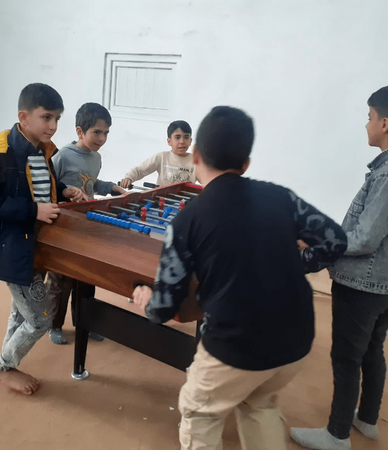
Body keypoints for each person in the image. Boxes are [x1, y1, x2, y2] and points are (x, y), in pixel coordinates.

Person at [132, 106, 347, 450]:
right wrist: (295, 262)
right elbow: (336, 241)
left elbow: (164, 307)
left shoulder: (188, 219)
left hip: (236, 346)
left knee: (200, 414)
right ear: (246, 164)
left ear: (196, 155)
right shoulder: (280, 196)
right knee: (259, 403)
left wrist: (146, 299)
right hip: (296, 340)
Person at [290, 83, 388, 450]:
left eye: (369, 117)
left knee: (346, 357)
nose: (366, 124)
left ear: (385, 124)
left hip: (363, 285)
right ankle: (367, 419)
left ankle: (336, 435)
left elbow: (366, 238)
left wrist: (320, 243)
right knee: (372, 349)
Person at [0, 83, 86, 395]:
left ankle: (7, 363)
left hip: (34, 246)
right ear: (24, 117)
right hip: (10, 249)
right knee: (41, 318)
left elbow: (40, 184)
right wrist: (33, 211)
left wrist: (64, 190)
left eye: (57, 118)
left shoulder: (41, 150)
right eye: (46, 117)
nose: (53, 126)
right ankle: (3, 368)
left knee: (21, 312)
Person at [48, 102, 123, 344]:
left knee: (88, 277)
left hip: (86, 226)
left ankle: (86, 322)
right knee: (61, 280)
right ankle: (54, 325)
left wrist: (112, 188)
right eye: (97, 132)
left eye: (106, 133)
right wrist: (64, 195)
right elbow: (49, 186)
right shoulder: (62, 156)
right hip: (63, 228)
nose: (102, 138)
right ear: (80, 131)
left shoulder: (95, 158)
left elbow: (92, 182)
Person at [120, 120, 196, 188]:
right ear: (169, 141)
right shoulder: (162, 157)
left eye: (186, 137)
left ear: (190, 141)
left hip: (187, 199)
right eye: (177, 137)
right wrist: (129, 178)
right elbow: (140, 170)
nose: (182, 141)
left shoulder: (196, 161)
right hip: (161, 198)